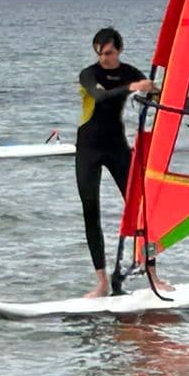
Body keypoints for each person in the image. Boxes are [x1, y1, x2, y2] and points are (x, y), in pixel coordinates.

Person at [75, 26, 155, 298]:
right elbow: (101, 96)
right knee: (90, 210)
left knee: (141, 208)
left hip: (117, 147)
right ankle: (101, 282)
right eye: (99, 53)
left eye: (108, 53)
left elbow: (155, 97)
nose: (103, 58)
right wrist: (132, 88)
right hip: (88, 149)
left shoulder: (130, 72)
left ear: (118, 50)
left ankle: (153, 273)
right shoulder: (89, 74)